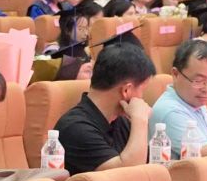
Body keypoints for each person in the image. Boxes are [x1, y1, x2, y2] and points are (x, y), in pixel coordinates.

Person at [55, 37, 154, 173]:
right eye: (143, 90)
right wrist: (140, 121)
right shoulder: (76, 128)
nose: (142, 98)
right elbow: (128, 175)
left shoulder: (120, 120)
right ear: (126, 90)